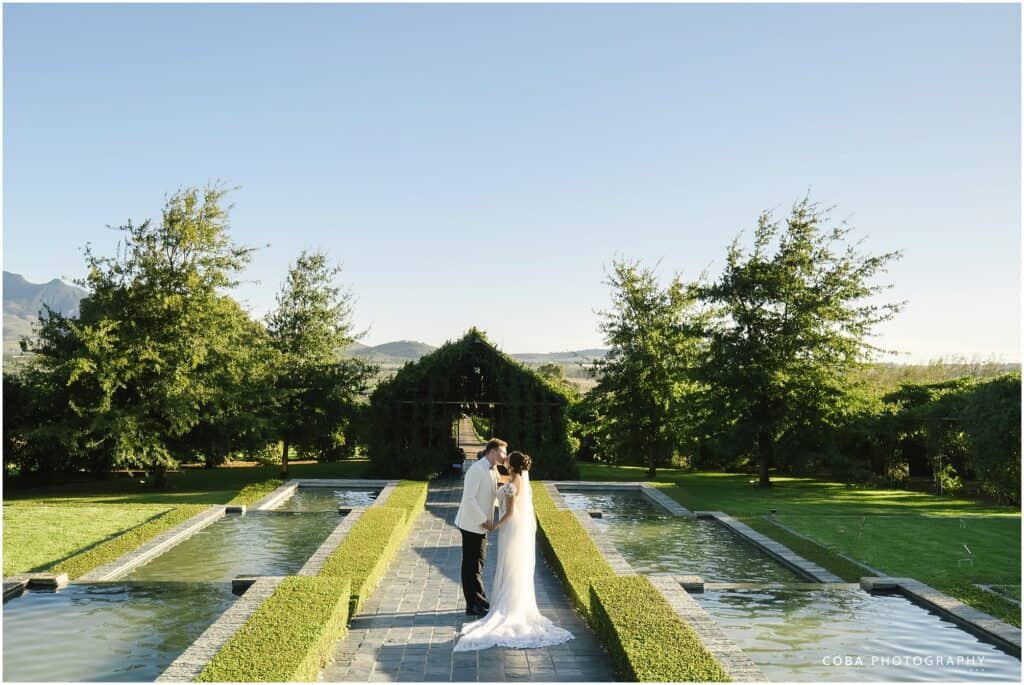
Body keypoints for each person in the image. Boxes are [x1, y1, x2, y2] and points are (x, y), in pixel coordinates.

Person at [453, 451, 575, 651]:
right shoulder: (516, 479)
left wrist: (495, 526)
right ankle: (506, 601)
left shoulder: (512, 484)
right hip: (516, 529)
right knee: (512, 566)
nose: (505, 458)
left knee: (510, 565)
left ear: (512, 464)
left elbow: (510, 513)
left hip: (510, 529)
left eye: (507, 457)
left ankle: (509, 605)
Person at [454, 437, 507, 616]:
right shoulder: (476, 470)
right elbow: (469, 499)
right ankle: (473, 605)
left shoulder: (493, 470)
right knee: (471, 565)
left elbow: (494, 494)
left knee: (477, 563)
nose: (505, 456)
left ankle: (479, 601)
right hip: (471, 524)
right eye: (503, 452)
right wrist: (484, 520)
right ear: (492, 452)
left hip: (481, 525)